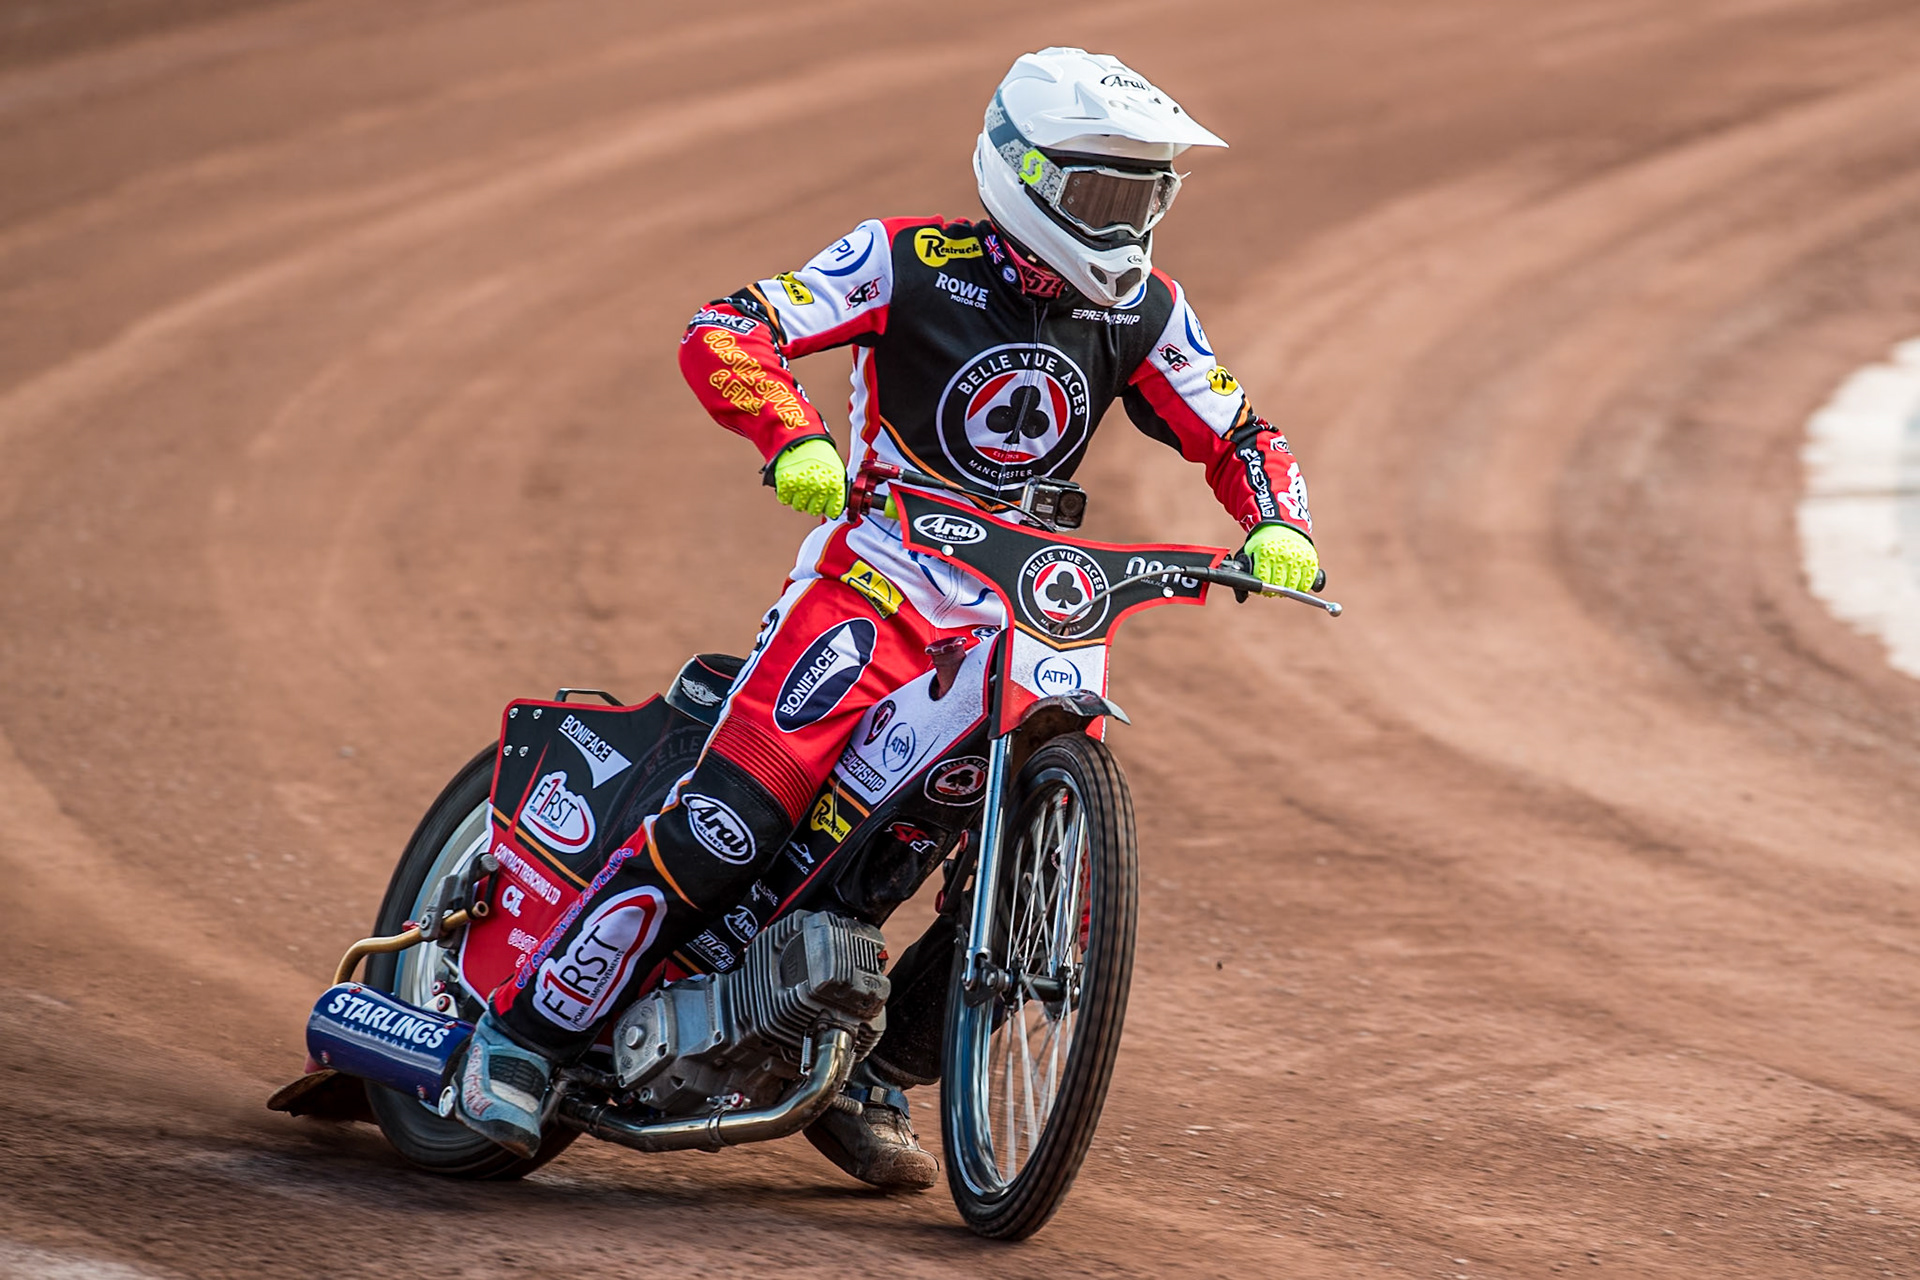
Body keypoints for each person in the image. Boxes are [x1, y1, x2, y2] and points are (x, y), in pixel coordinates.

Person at [454, 47, 1318, 1191]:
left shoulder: (1147, 310)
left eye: (1143, 195)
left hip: (1026, 615)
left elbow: (1238, 426)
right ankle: (526, 1032)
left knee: (1029, 878)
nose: (1125, 222)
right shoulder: (907, 259)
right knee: (732, 817)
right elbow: (728, 327)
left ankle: (869, 1073)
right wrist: (793, 435)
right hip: (875, 588)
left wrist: (1281, 520)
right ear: (1024, 177)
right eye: (1100, 193)